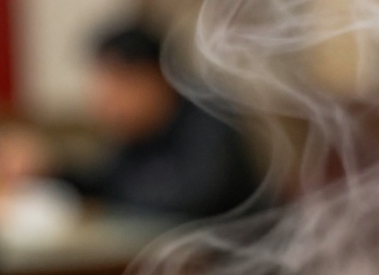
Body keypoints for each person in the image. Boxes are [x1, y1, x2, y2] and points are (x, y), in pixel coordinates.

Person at [55, 21, 260, 219]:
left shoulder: (208, 116)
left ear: (155, 77)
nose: (105, 101)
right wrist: (52, 168)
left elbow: (198, 199)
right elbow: (105, 183)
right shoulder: (138, 131)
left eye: (118, 84)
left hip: (238, 249)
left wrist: (112, 201)